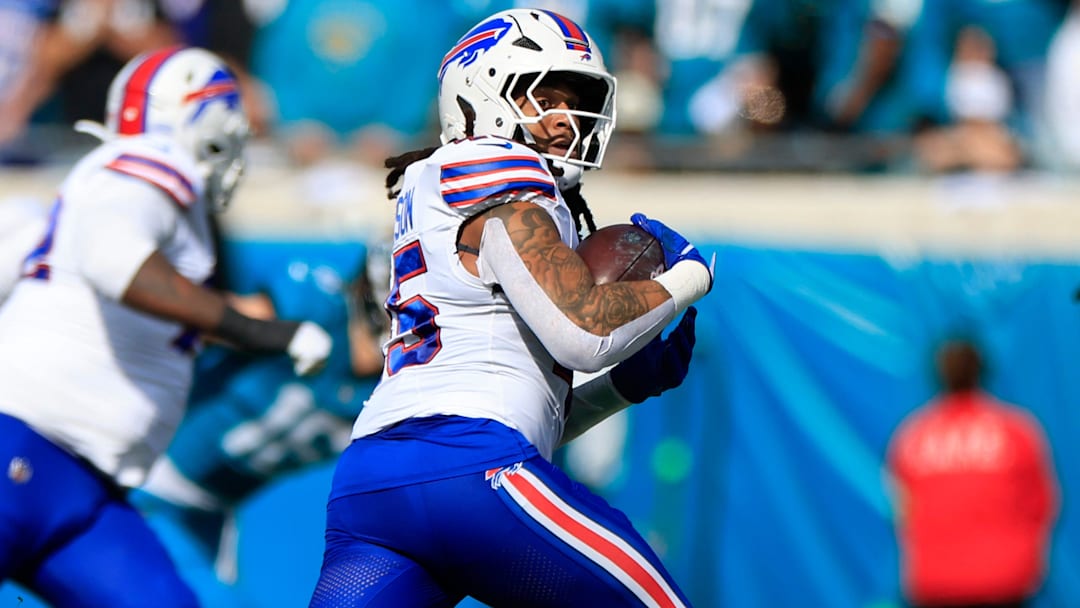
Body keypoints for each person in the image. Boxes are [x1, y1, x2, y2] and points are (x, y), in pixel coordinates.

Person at [308, 8, 711, 607]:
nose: (564, 119)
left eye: (575, 101)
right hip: (472, 471)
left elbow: (508, 412)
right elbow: (584, 336)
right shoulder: (503, 170)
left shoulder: (433, 187)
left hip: (372, 485)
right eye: (544, 98)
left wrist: (619, 388)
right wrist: (690, 276)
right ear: (482, 95)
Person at [0, 46, 333, 607]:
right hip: (26, 447)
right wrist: (261, 333)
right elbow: (115, 261)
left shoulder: (119, 187)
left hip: (86, 486)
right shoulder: (150, 163)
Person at [131, 239, 389, 608]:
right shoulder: (317, 307)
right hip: (148, 479)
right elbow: (204, 318)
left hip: (211, 512)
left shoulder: (395, 388)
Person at [886, 339, 1060, 608]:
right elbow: (1043, 504)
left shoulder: (913, 435)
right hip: (1005, 579)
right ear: (983, 371)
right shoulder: (1016, 429)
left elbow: (902, 512)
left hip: (935, 582)